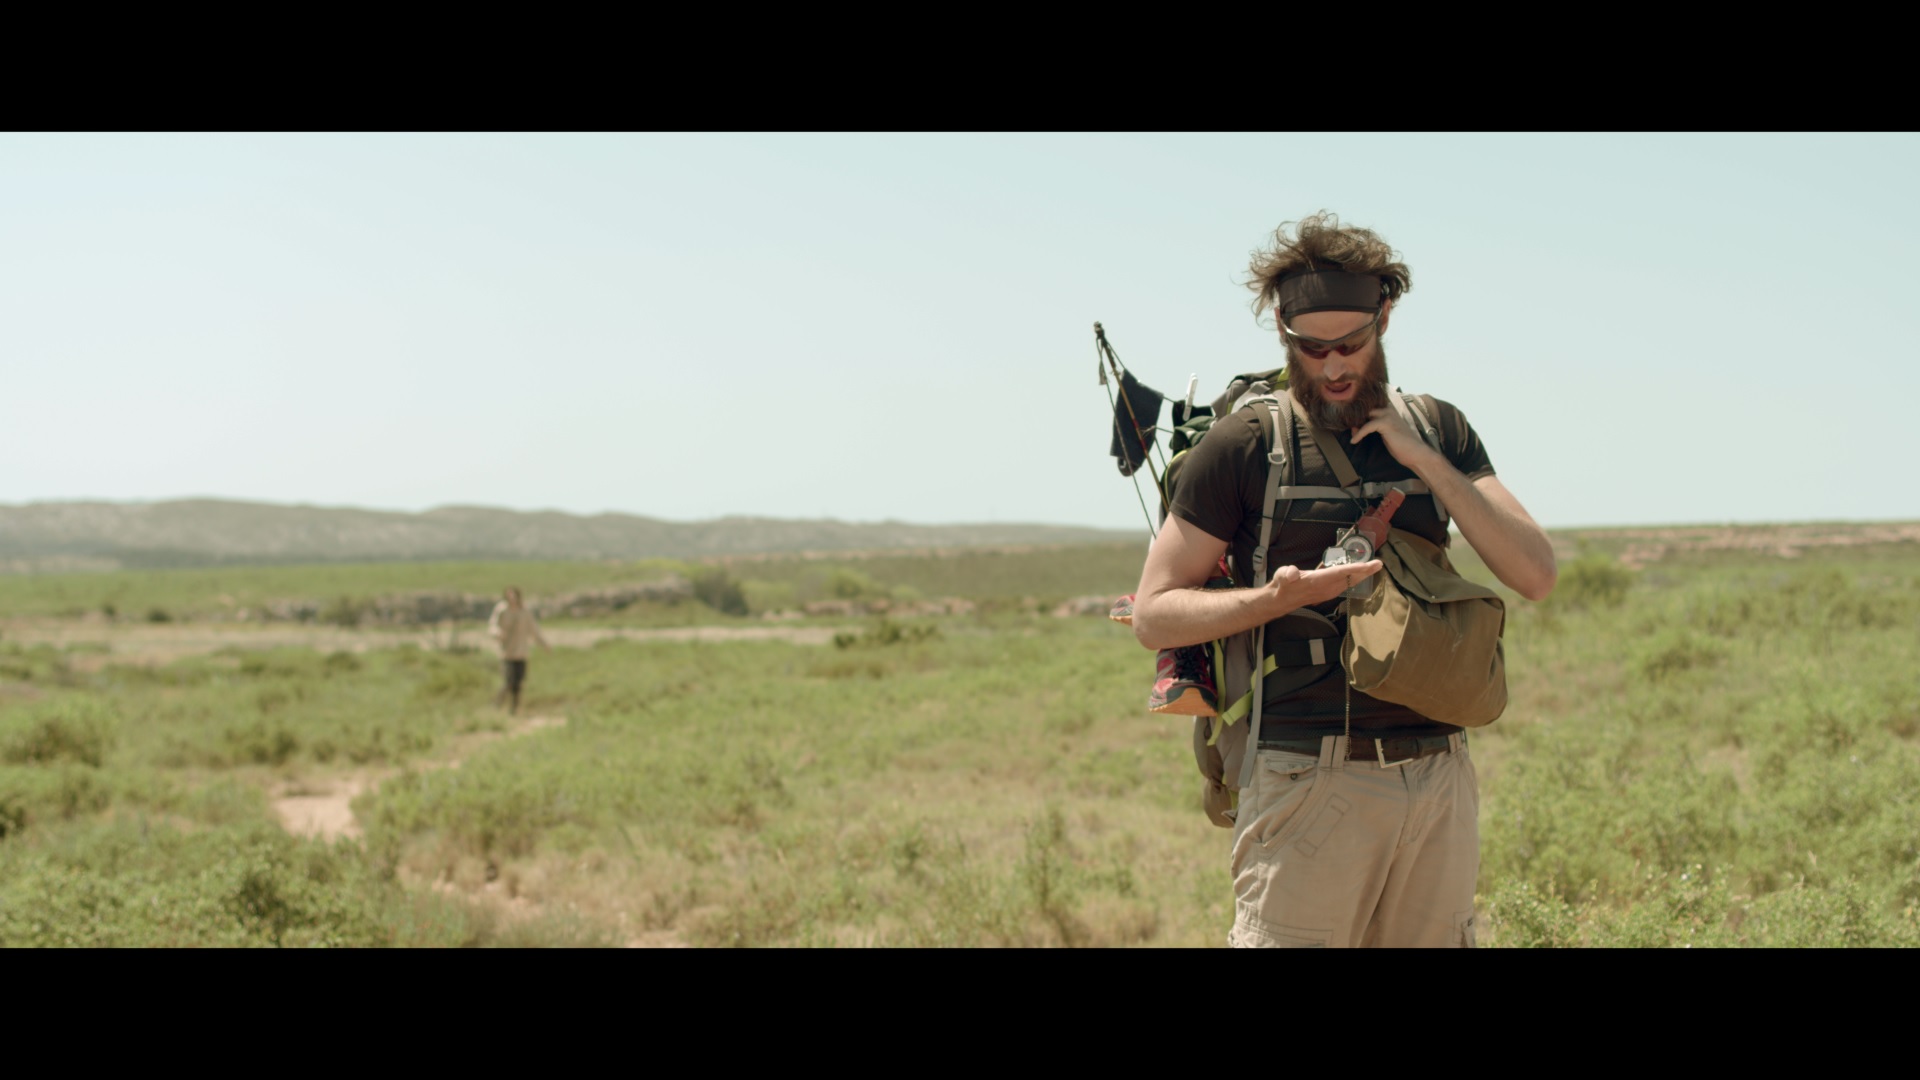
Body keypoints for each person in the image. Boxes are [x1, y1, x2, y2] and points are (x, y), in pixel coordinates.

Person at [1130, 211, 1557, 948]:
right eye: (1312, 347)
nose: (1333, 366)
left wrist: (1422, 458)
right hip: (1307, 775)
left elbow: (1535, 573)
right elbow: (1154, 614)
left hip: (1439, 776)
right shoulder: (1245, 445)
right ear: (1283, 331)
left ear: (1384, 319)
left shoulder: (1441, 428)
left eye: (1351, 345)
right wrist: (1274, 600)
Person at [487, 586, 550, 715]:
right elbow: (492, 625)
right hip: (507, 653)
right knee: (508, 682)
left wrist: (544, 644)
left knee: (518, 684)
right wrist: (497, 633)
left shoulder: (525, 611)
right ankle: (497, 705)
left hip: (521, 652)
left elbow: (534, 630)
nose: (512, 599)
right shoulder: (502, 610)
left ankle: (514, 710)